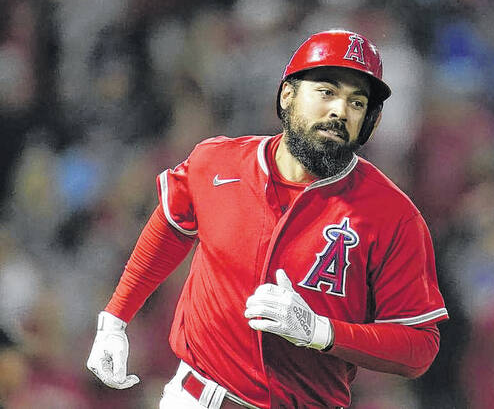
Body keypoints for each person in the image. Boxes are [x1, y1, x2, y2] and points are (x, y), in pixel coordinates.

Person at [86, 29, 449, 409]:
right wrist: (115, 318)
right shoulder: (216, 162)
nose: (340, 111)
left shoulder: (394, 216)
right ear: (287, 95)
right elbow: (171, 225)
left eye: (357, 103)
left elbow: (419, 346)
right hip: (193, 397)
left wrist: (321, 331)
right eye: (327, 92)